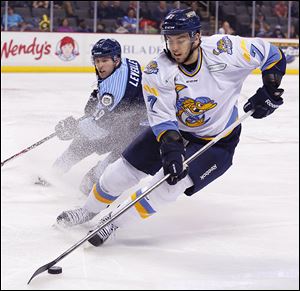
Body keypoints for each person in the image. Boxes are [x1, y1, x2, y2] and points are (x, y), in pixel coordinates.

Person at [56, 9, 286, 247]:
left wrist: (269, 89)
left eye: (181, 39)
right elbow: (161, 116)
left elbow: (273, 54)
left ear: (196, 37)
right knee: (120, 172)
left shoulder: (225, 49)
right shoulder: (158, 70)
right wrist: (171, 149)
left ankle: (114, 223)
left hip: (218, 139)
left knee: (170, 185)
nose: (174, 47)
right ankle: (87, 211)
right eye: (170, 39)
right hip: (176, 128)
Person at [53, 38, 145, 195]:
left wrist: (74, 128)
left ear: (116, 60)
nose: (100, 65)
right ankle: (57, 171)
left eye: (104, 60)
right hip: (126, 119)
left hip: (139, 133)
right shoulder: (126, 63)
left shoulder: (114, 91)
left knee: (93, 180)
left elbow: (101, 126)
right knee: (85, 141)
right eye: (97, 61)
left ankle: (93, 193)